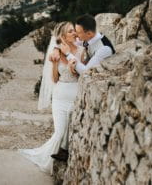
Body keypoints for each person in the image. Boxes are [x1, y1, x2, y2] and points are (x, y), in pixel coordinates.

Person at [19, 22, 84, 174]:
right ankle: (48, 160)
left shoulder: (81, 50)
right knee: (60, 131)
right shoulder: (55, 53)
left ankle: (58, 157)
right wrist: (55, 64)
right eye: (71, 31)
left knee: (69, 131)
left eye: (74, 30)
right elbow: (55, 79)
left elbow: (82, 74)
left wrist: (72, 65)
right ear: (62, 36)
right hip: (60, 96)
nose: (75, 33)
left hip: (75, 95)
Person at [48, 15, 115, 161]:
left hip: (79, 91)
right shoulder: (86, 39)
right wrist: (55, 49)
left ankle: (63, 151)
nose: (76, 36)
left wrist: (68, 54)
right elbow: (62, 39)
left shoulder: (103, 49)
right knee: (61, 129)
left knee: (67, 125)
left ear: (88, 34)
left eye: (78, 33)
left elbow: (85, 72)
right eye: (74, 32)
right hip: (61, 93)